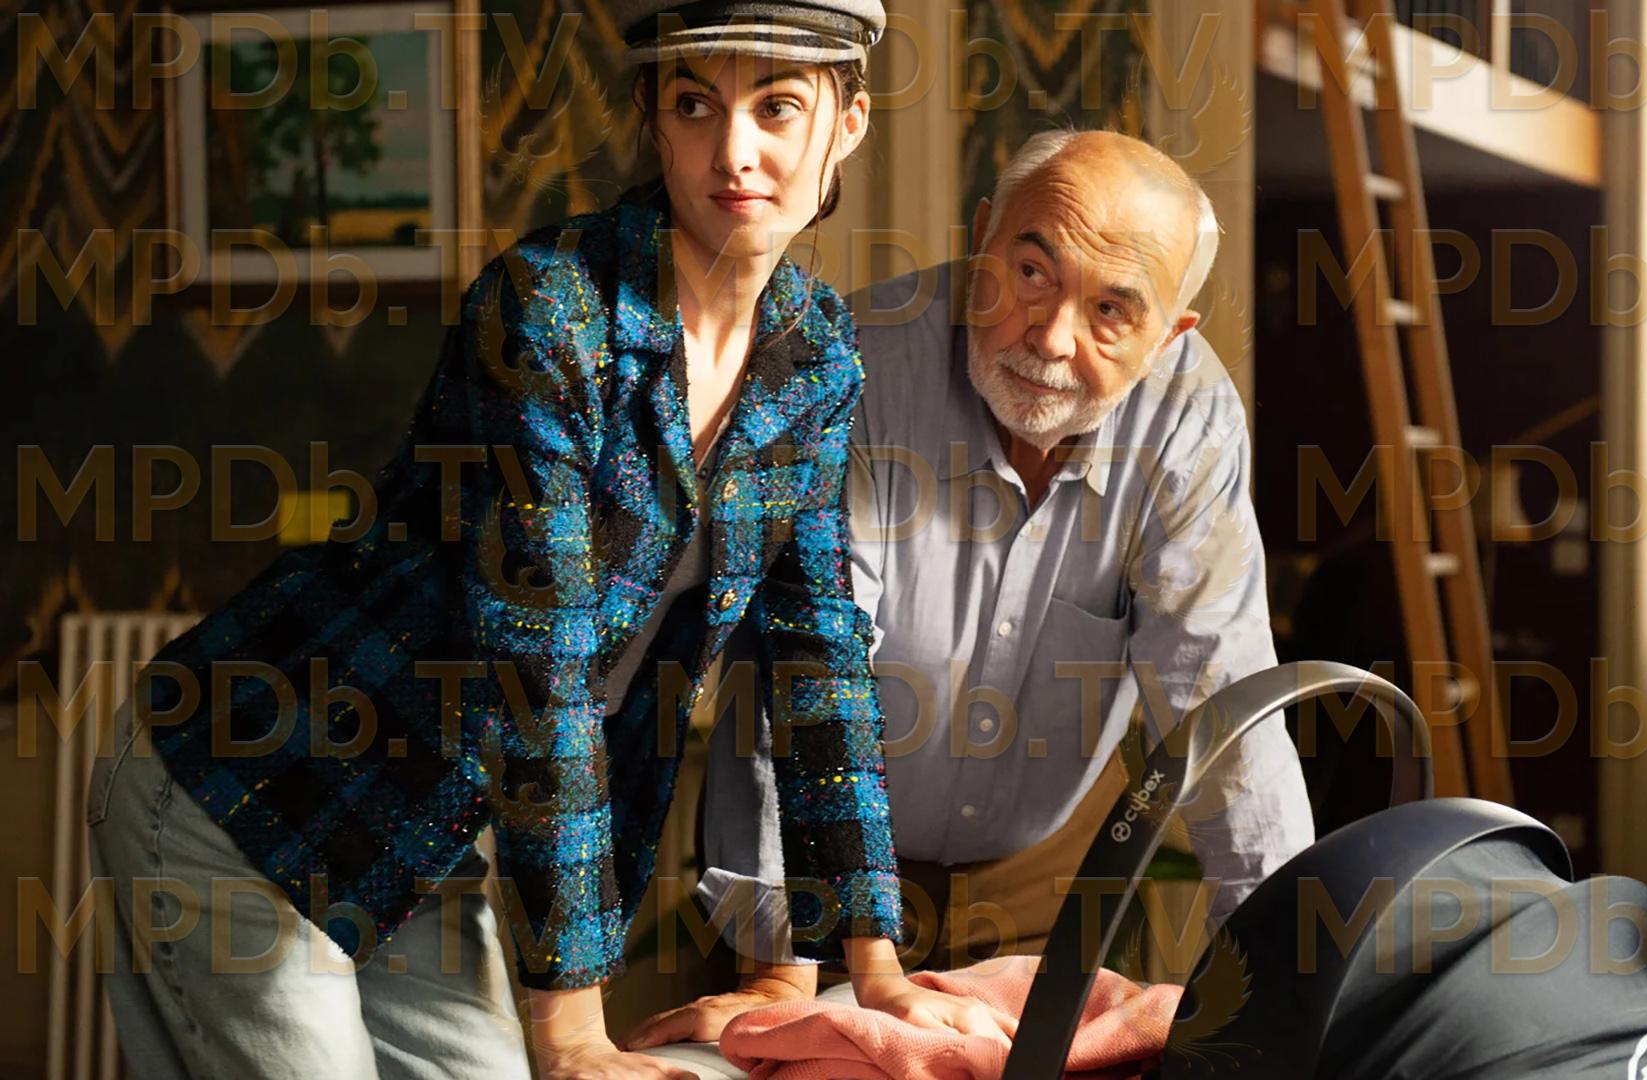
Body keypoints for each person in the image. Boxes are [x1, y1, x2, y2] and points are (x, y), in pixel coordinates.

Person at [86, 4, 1012, 1078]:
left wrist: (876, 964)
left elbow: (818, 655)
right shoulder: (550, 309)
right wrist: (572, 1034)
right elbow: (539, 669)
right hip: (244, 786)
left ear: (847, 123)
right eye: (694, 105)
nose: (733, 151)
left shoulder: (814, 352)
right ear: (653, 118)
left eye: (777, 107)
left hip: (423, 831)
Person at [626, 130, 1315, 1046]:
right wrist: (777, 969)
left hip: (1037, 884)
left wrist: (1289, 985)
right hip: (820, 877)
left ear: (1167, 338)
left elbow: (1223, 706)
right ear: (982, 233)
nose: (1052, 338)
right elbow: (803, 669)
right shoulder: (852, 364)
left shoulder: (1187, 417)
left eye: (1112, 309)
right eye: (1030, 273)